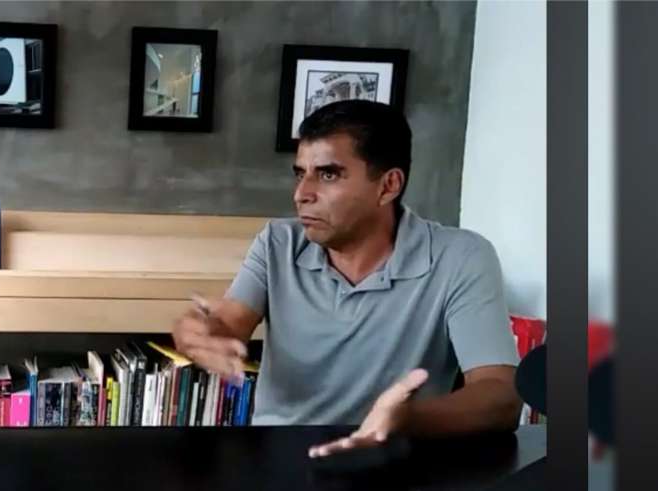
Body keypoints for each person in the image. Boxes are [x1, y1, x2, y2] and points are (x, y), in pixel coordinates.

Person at [171, 100, 523, 458]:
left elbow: (502, 395)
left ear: (388, 186)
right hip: (281, 457)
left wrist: (408, 420)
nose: (301, 194)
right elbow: (228, 325)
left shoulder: (461, 257)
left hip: (400, 460)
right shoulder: (278, 243)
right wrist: (197, 332)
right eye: (300, 174)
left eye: (328, 175)